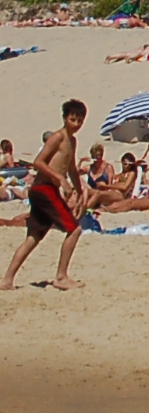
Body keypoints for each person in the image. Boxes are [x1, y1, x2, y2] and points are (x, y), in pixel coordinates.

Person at [3, 99, 88, 291]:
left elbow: (72, 168)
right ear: (65, 118)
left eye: (80, 120)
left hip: (45, 189)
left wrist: (80, 191)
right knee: (74, 230)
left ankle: (7, 280)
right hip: (44, 188)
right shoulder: (57, 137)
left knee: (34, 236)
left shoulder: (72, 141)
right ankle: (61, 276)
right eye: (73, 119)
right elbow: (38, 162)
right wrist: (60, 179)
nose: (76, 124)